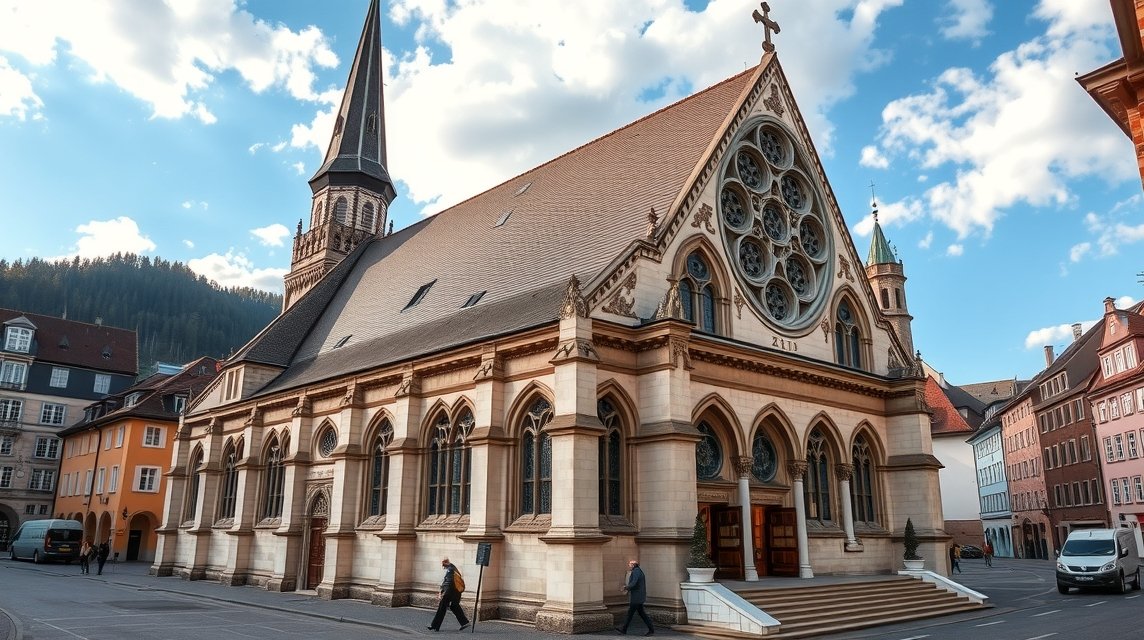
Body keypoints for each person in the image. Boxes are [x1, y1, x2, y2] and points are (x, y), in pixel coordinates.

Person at [428, 557, 469, 632]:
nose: (443, 567)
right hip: (456, 593)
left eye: (443, 565)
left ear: (445, 563)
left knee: (441, 608)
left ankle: (434, 626)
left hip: (449, 593)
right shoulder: (453, 569)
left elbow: (448, 583)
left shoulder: (450, 570)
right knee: (454, 606)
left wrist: (443, 593)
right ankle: (464, 622)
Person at [617, 559, 654, 636]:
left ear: (634, 565)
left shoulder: (636, 571)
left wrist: (626, 587)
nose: (629, 565)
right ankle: (651, 629)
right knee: (641, 614)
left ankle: (624, 629)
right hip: (638, 597)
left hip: (637, 597)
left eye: (630, 564)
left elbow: (634, 583)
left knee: (630, 614)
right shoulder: (638, 571)